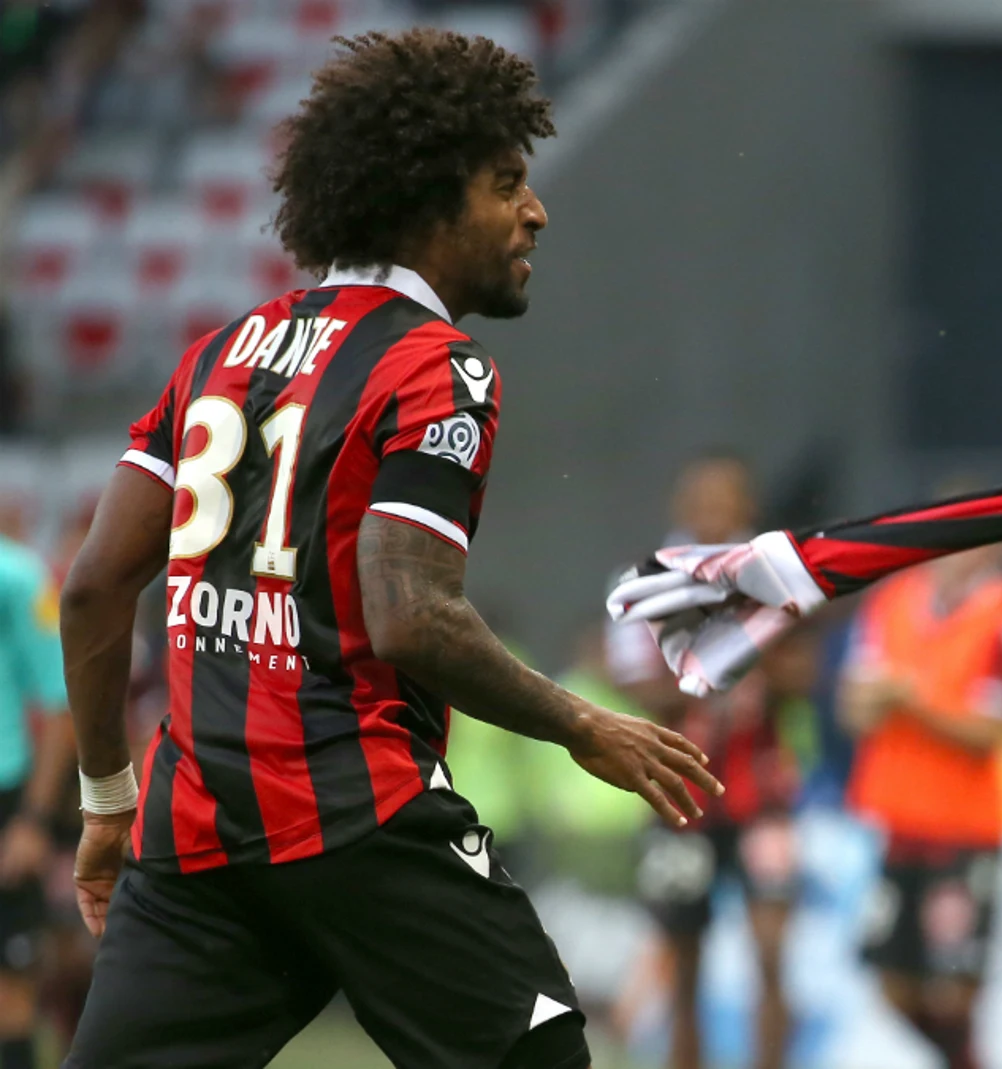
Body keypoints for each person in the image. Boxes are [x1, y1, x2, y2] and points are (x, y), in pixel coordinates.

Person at [55, 29, 720, 1069]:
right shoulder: (435, 369)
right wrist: (584, 724)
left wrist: (106, 801)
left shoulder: (221, 352)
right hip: (359, 814)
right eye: (506, 183)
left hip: (196, 830)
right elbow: (413, 614)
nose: (533, 211)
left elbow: (95, 588)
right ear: (427, 201)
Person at [612, 452, 803, 1069]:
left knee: (773, 957)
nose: (716, 511)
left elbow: (807, 674)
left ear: (748, 507)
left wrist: (752, 652)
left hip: (764, 797)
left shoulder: (780, 576)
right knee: (684, 964)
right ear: (683, 508)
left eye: (728, 498)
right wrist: (711, 668)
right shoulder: (644, 580)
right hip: (680, 798)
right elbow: (631, 683)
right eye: (704, 498)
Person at [839, 540, 1002, 1069]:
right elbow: (853, 709)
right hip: (899, 823)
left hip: (967, 830)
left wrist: (912, 702)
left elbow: (990, 731)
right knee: (893, 986)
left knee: (954, 991)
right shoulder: (892, 600)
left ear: (995, 550)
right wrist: (881, 701)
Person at [0, 511, 73, 1069]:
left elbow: (59, 701)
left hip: (7, 798)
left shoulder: (20, 577)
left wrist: (33, 819)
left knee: (11, 997)